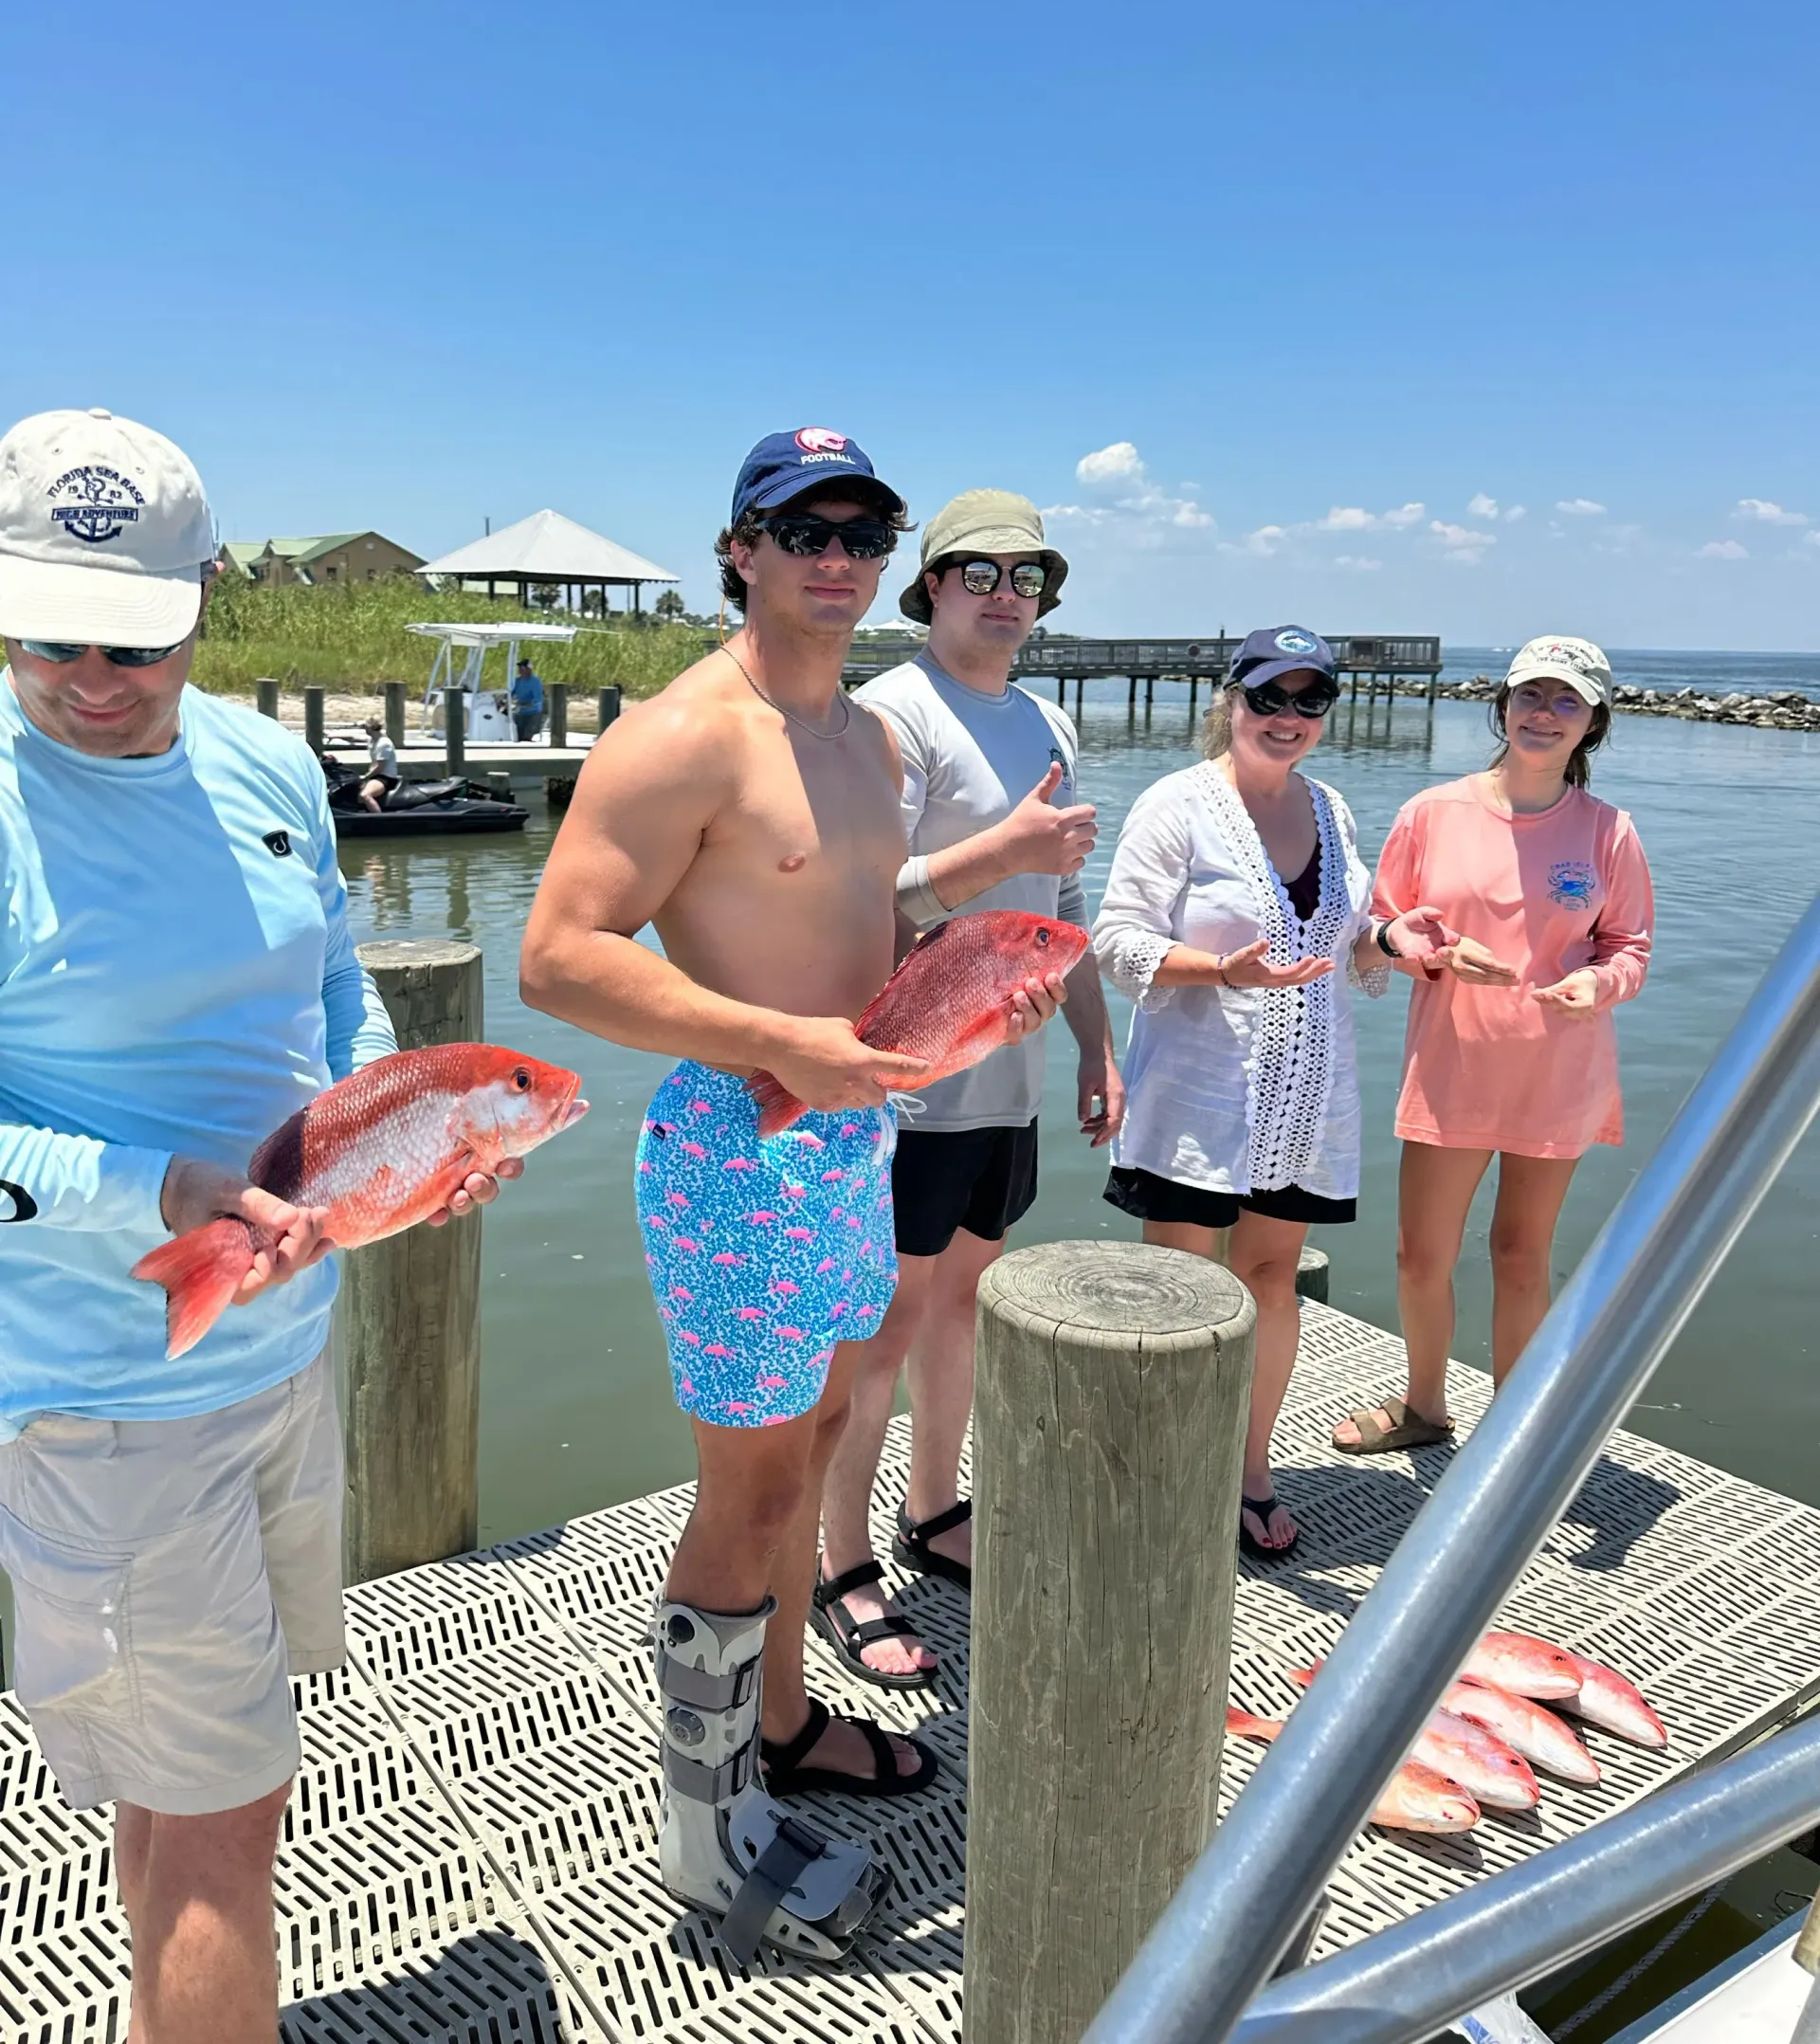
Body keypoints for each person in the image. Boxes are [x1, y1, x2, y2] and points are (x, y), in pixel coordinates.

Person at [0, 408, 521, 2044]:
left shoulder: (268, 760)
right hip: (107, 1409)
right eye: (45, 630)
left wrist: (409, 1129)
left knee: (209, 1787)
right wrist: (151, 1193)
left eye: (137, 638)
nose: (92, 672)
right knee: (231, 1831)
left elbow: (336, 980)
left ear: (207, 597)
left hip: (286, 1355)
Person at [519, 428, 1066, 1962]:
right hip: (733, 1148)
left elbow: (854, 923)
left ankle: (780, 1723)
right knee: (750, 1489)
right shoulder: (686, 734)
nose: (839, 555)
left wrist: (964, 993)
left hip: (849, 1141)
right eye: (804, 527)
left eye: (865, 531)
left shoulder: (875, 745)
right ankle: (708, 1839)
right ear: (741, 550)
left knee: (821, 1434)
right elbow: (560, 953)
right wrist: (775, 1044)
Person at [813, 489, 1120, 1687]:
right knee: (878, 1328)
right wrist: (1004, 855)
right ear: (928, 586)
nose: (1007, 594)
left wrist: (1099, 1048)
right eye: (979, 572)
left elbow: (1067, 911)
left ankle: (935, 1509)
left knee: (963, 1309)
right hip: (905, 1082)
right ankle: (841, 1560)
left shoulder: (1050, 721)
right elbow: (870, 904)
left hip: (1013, 1072)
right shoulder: (889, 715)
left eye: (1028, 574)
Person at [1092, 627, 1448, 1558]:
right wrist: (1219, 970)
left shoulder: (1331, 810)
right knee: (1178, 1295)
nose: (1288, 717)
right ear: (1230, 699)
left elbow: (1352, 941)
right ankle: (1165, 1473)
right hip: (1195, 1106)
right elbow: (1117, 942)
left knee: (1269, 1280)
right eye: (1269, 697)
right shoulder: (1177, 807)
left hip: (1307, 1102)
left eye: (1309, 700)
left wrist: (1402, 945)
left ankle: (1248, 1472)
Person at [1333, 636, 1653, 1455]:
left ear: (1593, 723)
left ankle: (1512, 1433)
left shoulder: (1609, 832)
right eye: (1531, 696)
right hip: (1452, 1071)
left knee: (1521, 1254)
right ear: (1502, 706)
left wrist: (1600, 985)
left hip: (1558, 1071)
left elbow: (1630, 948)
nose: (1544, 715)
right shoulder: (1430, 813)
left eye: (1566, 702)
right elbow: (1373, 941)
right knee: (1417, 1255)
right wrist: (1432, 953)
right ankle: (1426, 1407)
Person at [358, 710, 400, 811]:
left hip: (385, 778)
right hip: (376, 776)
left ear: (371, 727)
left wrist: (365, 777)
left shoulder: (384, 743)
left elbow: (379, 767)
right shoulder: (373, 740)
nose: (364, 728)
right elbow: (354, 738)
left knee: (365, 795)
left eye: (365, 726)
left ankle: (379, 821)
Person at [511, 655, 545, 740]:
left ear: (529, 669)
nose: (520, 670)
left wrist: (525, 704)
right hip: (521, 713)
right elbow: (510, 693)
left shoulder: (535, 682)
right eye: (519, 668)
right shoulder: (517, 681)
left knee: (526, 737)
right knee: (517, 736)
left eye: (522, 668)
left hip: (533, 714)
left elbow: (538, 700)